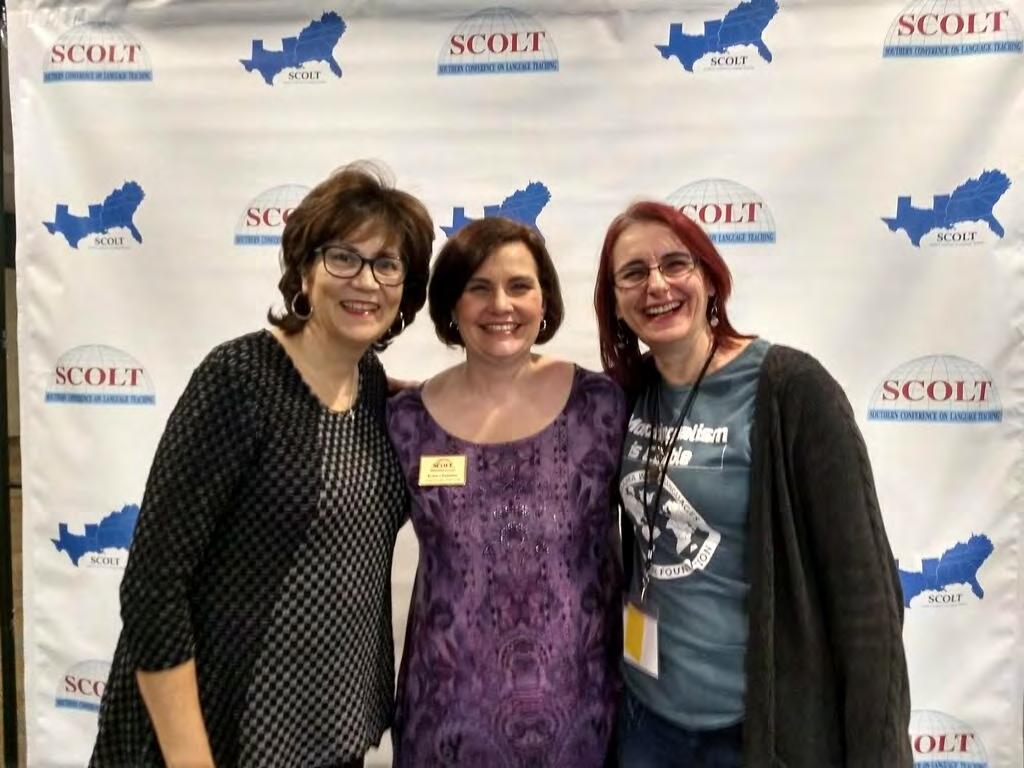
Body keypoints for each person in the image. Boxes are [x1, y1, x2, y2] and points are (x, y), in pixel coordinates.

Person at [89, 162, 434, 768]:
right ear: (304, 269)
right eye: (343, 257)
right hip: (220, 733)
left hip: (330, 733)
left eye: (387, 264)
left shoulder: (374, 389)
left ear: (405, 290)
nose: (366, 280)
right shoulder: (240, 380)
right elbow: (153, 587)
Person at [593, 201, 912, 767]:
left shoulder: (793, 391)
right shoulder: (628, 395)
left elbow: (866, 598)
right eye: (634, 273)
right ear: (615, 302)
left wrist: (877, 753)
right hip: (648, 721)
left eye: (675, 264)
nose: (657, 285)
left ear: (710, 277)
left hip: (757, 731)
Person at [387, 217, 625, 766]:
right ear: (451, 303)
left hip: (584, 718)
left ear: (545, 300)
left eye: (519, 285)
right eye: (479, 287)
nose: (501, 305)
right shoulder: (405, 421)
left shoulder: (603, 406)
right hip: (445, 722)